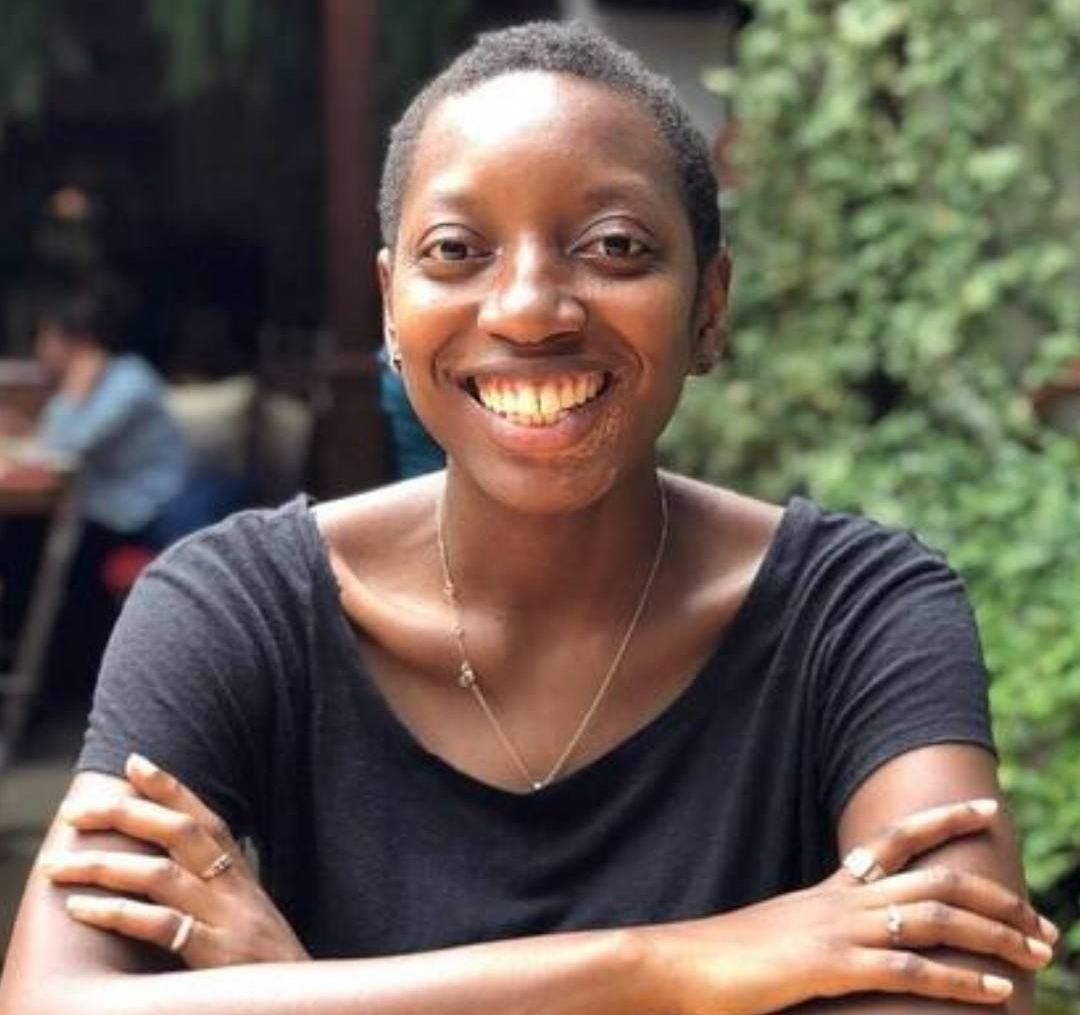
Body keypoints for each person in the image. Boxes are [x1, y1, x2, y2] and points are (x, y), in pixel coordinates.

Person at [0, 22, 1058, 1015]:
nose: (528, 309)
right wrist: (672, 963)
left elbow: (947, 988)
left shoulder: (860, 617)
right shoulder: (234, 609)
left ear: (711, 305)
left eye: (613, 247)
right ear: (390, 309)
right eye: (458, 251)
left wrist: (302, 987)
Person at [0, 288, 187, 697]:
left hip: (143, 515)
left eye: (46, 337)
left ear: (77, 341)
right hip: (102, 507)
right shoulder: (90, 381)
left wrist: (73, 394)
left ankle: (52, 683)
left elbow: (64, 449)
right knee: (20, 543)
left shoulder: (129, 380)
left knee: (34, 551)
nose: (40, 349)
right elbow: (53, 445)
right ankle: (34, 673)